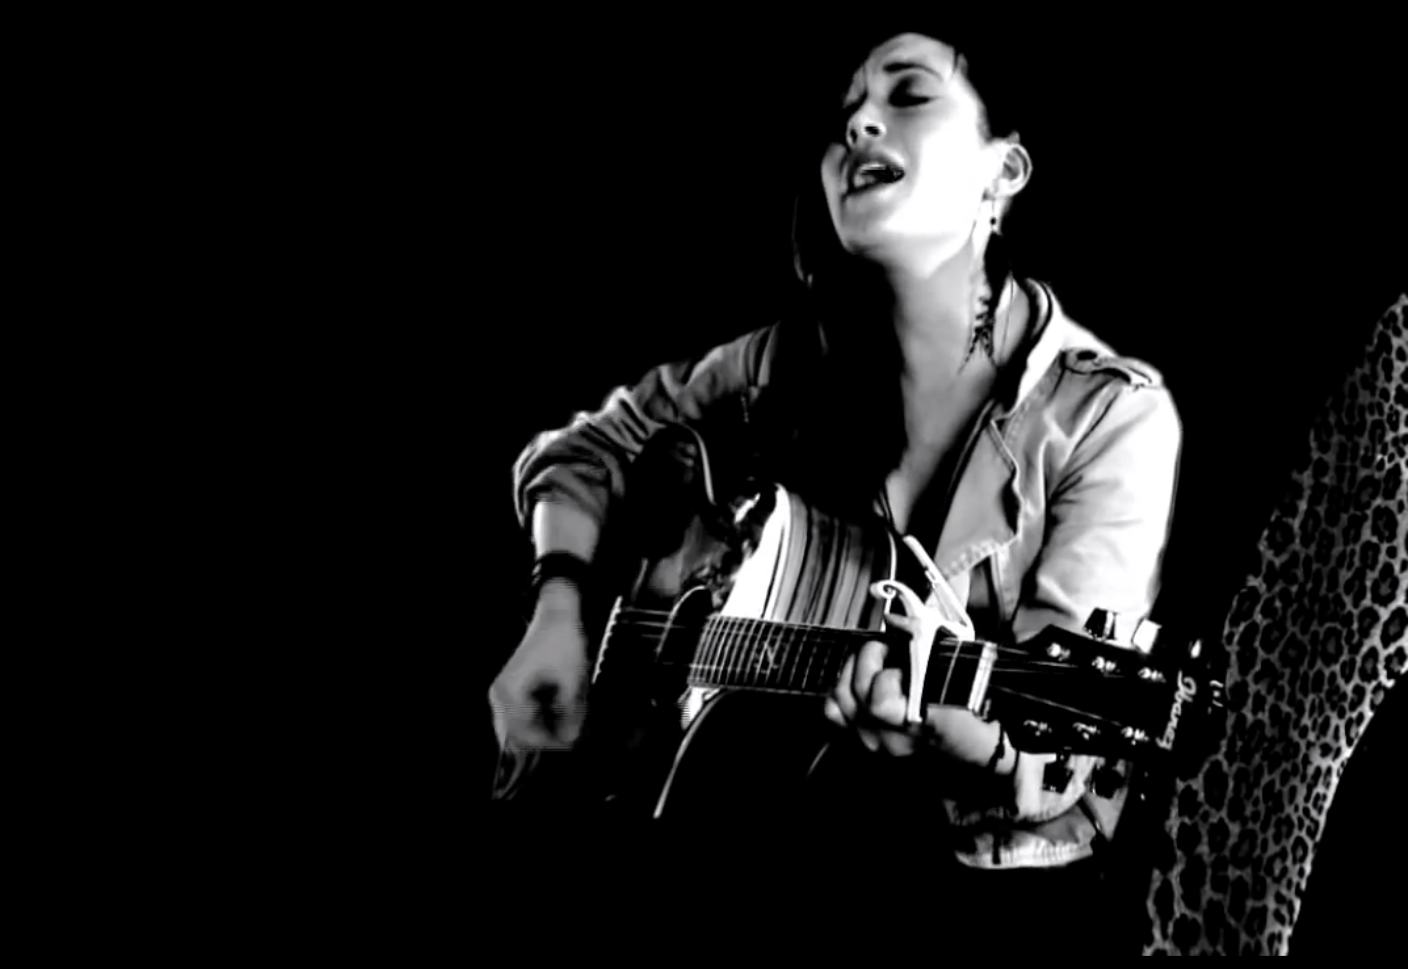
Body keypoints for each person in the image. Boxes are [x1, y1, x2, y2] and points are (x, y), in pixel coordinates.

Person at [488, 22, 1182, 950]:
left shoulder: (1108, 416)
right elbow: (586, 449)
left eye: (908, 95)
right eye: (846, 112)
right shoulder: (788, 359)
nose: (858, 125)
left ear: (1004, 172)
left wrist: (943, 731)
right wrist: (559, 609)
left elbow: (1055, 761)